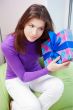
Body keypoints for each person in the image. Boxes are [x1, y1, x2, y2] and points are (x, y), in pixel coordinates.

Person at [1, 4, 70, 110]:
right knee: (33, 106)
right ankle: (15, 106)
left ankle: (18, 107)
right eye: (31, 26)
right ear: (24, 22)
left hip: (35, 73)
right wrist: (48, 69)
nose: (34, 33)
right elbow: (23, 76)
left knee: (58, 85)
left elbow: (54, 53)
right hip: (16, 79)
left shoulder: (42, 38)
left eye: (40, 28)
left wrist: (63, 59)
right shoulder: (8, 44)